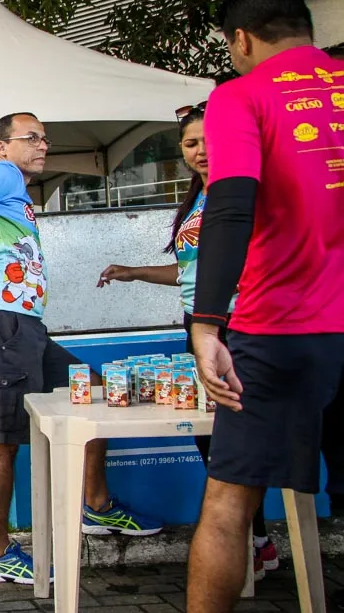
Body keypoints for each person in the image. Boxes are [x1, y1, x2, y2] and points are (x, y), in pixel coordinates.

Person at [143, 0, 344, 613]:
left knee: (230, 498)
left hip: (278, 325)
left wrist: (205, 323)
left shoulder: (242, 95)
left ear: (242, 40)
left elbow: (230, 206)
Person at [0, 112, 162, 583]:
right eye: (31, 138)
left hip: (24, 327)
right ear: (2, 146)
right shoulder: (2, 173)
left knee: (97, 393)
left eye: (45, 139)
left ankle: (97, 506)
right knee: (2, 439)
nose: (42, 145)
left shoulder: (16, 192)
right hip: (1, 323)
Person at [97, 107, 277, 579]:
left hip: (241, 322)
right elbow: (194, 269)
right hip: (198, 322)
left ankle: (253, 542)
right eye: (191, 144)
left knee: (234, 434)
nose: (201, 151)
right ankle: (254, 539)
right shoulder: (199, 199)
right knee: (208, 431)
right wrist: (133, 272)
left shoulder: (245, 191)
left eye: (208, 140)